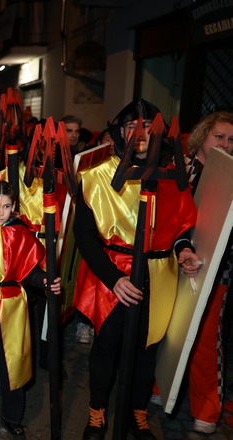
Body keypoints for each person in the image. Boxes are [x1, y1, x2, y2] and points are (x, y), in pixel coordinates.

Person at [73, 99, 201, 440]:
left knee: (147, 348)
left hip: (159, 275)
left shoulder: (172, 176)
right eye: (132, 127)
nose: (141, 134)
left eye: (148, 127)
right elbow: (84, 237)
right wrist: (114, 279)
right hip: (112, 274)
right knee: (106, 345)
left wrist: (184, 249)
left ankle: (137, 413)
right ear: (120, 132)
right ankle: (97, 413)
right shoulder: (95, 177)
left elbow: (181, 228)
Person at [0, 180, 61, 437]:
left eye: (6, 206)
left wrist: (44, 280)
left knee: (13, 362)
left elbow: (29, 270)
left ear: (14, 208)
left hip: (13, 305)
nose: (0, 212)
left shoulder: (20, 232)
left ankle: (12, 416)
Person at [182, 111, 233, 434]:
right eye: (219, 137)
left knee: (205, 337)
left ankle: (206, 408)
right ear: (202, 137)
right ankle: (159, 388)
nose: (226, 144)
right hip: (173, 263)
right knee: (168, 331)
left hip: (218, 269)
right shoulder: (181, 168)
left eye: (231, 139)